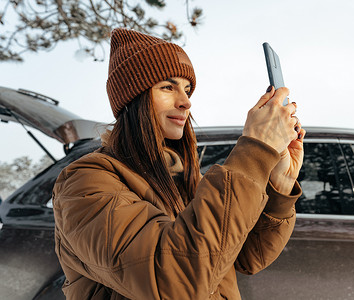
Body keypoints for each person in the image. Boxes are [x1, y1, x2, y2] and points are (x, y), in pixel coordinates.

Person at [52, 28, 306, 300]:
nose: (186, 101)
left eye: (187, 89)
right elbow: (174, 280)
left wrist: (280, 185)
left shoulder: (181, 175)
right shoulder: (85, 183)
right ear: (132, 98)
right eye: (167, 87)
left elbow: (245, 257)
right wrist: (256, 151)